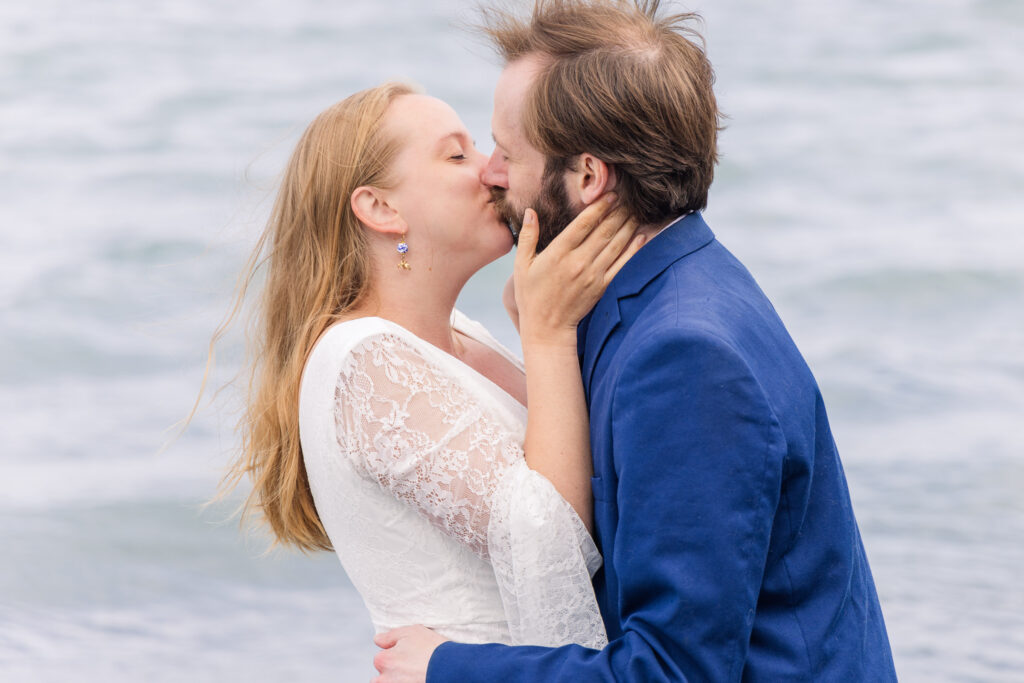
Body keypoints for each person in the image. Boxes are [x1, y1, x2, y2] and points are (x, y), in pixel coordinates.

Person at [372, 1, 897, 681]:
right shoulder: (681, 282)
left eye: (509, 150)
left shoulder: (684, 357)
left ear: (588, 177)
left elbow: (675, 670)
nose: (492, 172)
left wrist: (449, 667)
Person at [219, 81, 647, 651]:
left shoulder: (462, 334)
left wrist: (535, 324)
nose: (493, 170)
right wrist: (548, 338)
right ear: (380, 208)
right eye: (457, 154)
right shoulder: (365, 364)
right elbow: (551, 542)